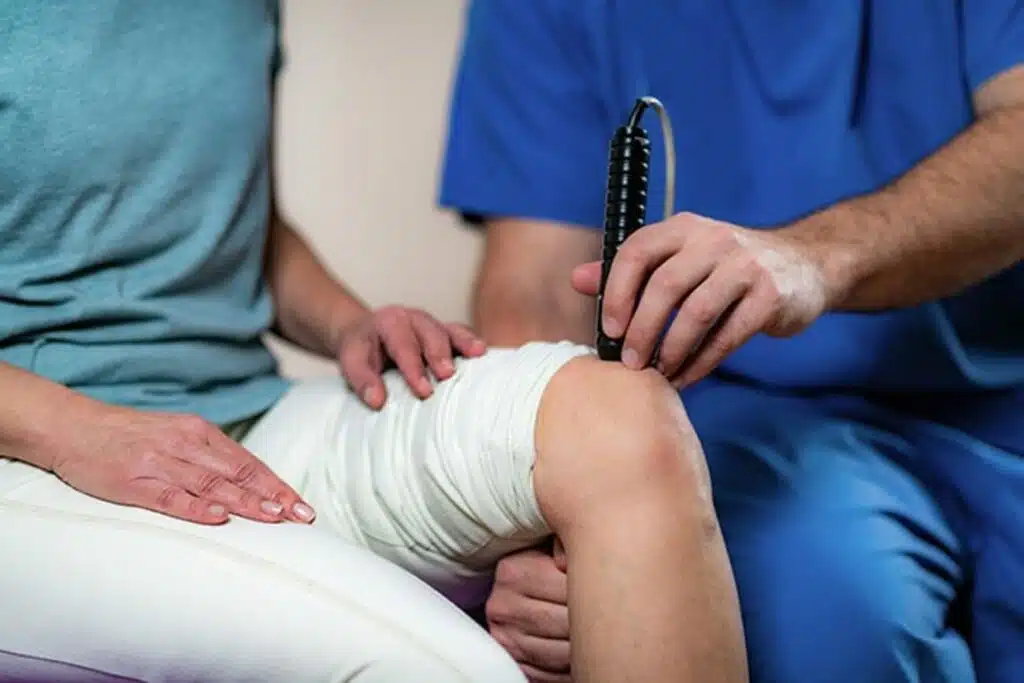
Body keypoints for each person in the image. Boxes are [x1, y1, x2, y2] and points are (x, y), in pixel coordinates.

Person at [0, 3, 750, 682]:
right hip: (31, 453)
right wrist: (78, 430)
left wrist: (349, 323)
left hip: (241, 421)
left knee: (621, 418)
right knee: (451, 669)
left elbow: (231, 222)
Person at [439, 2, 1024, 682]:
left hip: (1004, 408)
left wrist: (816, 257)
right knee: (818, 615)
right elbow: (536, 291)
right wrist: (545, 538)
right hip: (749, 430)